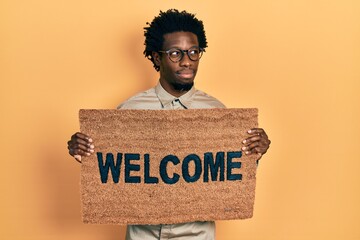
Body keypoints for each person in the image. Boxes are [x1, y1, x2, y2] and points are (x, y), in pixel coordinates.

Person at [67, 9, 271, 240]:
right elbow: (113, 174)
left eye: (194, 52)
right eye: (175, 53)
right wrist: (84, 153)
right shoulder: (129, 111)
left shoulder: (218, 113)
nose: (186, 62)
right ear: (157, 57)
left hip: (197, 235)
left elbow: (228, 177)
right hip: (142, 236)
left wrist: (255, 152)